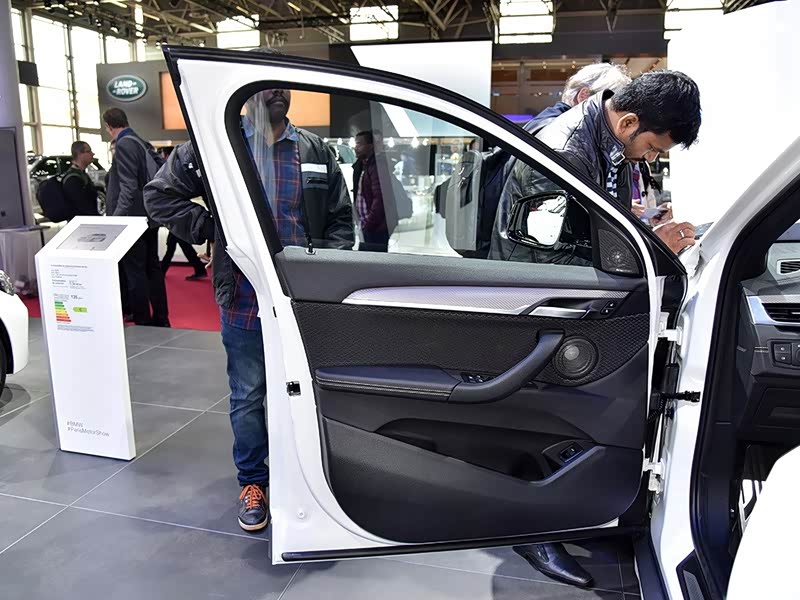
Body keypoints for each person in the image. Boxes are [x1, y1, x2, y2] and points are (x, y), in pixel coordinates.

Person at [144, 78, 353, 533]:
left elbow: (341, 218)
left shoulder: (314, 150)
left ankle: (308, 476)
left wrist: (326, 272)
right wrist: (209, 228)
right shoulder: (218, 145)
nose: (277, 92)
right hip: (242, 296)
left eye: (283, 86)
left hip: (301, 299)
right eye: (266, 86)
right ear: (248, 91)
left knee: (306, 390)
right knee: (248, 393)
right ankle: (253, 482)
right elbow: (158, 195)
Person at [494, 70, 700, 262]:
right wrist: (650, 251)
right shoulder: (563, 154)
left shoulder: (617, 143)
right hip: (529, 285)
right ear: (628, 123)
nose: (651, 158)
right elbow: (553, 261)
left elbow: (607, 231)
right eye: (651, 148)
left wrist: (647, 236)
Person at [489, 63, 631, 261]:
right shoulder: (559, 140)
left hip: (520, 259)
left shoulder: (549, 126)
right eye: (611, 106)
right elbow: (547, 242)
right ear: (583, 96)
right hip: (525, 266)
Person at [103, 107, 170, 327]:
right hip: (148, 217)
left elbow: (128, 186)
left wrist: (116, 219)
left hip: (131, 220)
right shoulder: (142, 142)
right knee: (152, 268)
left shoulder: (124, 144)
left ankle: (143, 320)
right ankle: (161, 317)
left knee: (135, 272)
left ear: (108, 126)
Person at [156, 147, 207, 280]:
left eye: (162, 154)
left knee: (175, 245)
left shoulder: (172, 171)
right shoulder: (173, 170)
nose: (161, 157)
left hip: (177, 214)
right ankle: (198, 269)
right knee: (176, 244)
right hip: (178, 214)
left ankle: (162, 272)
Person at [353, 130, 390, 252]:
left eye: (359, 144)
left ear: (370, 146)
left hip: (375, 228)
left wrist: (369, 224)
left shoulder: (377, 166)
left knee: (373, 259)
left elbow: (380, 198)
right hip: (367, 226)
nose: (356, 148)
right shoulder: (362, 166)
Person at [62, 141, 100, 219]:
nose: (92, 154)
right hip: (81, 222)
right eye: (88, 151)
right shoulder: (73, 179)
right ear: (79, 154)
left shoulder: (81, 174)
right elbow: (82, 206)